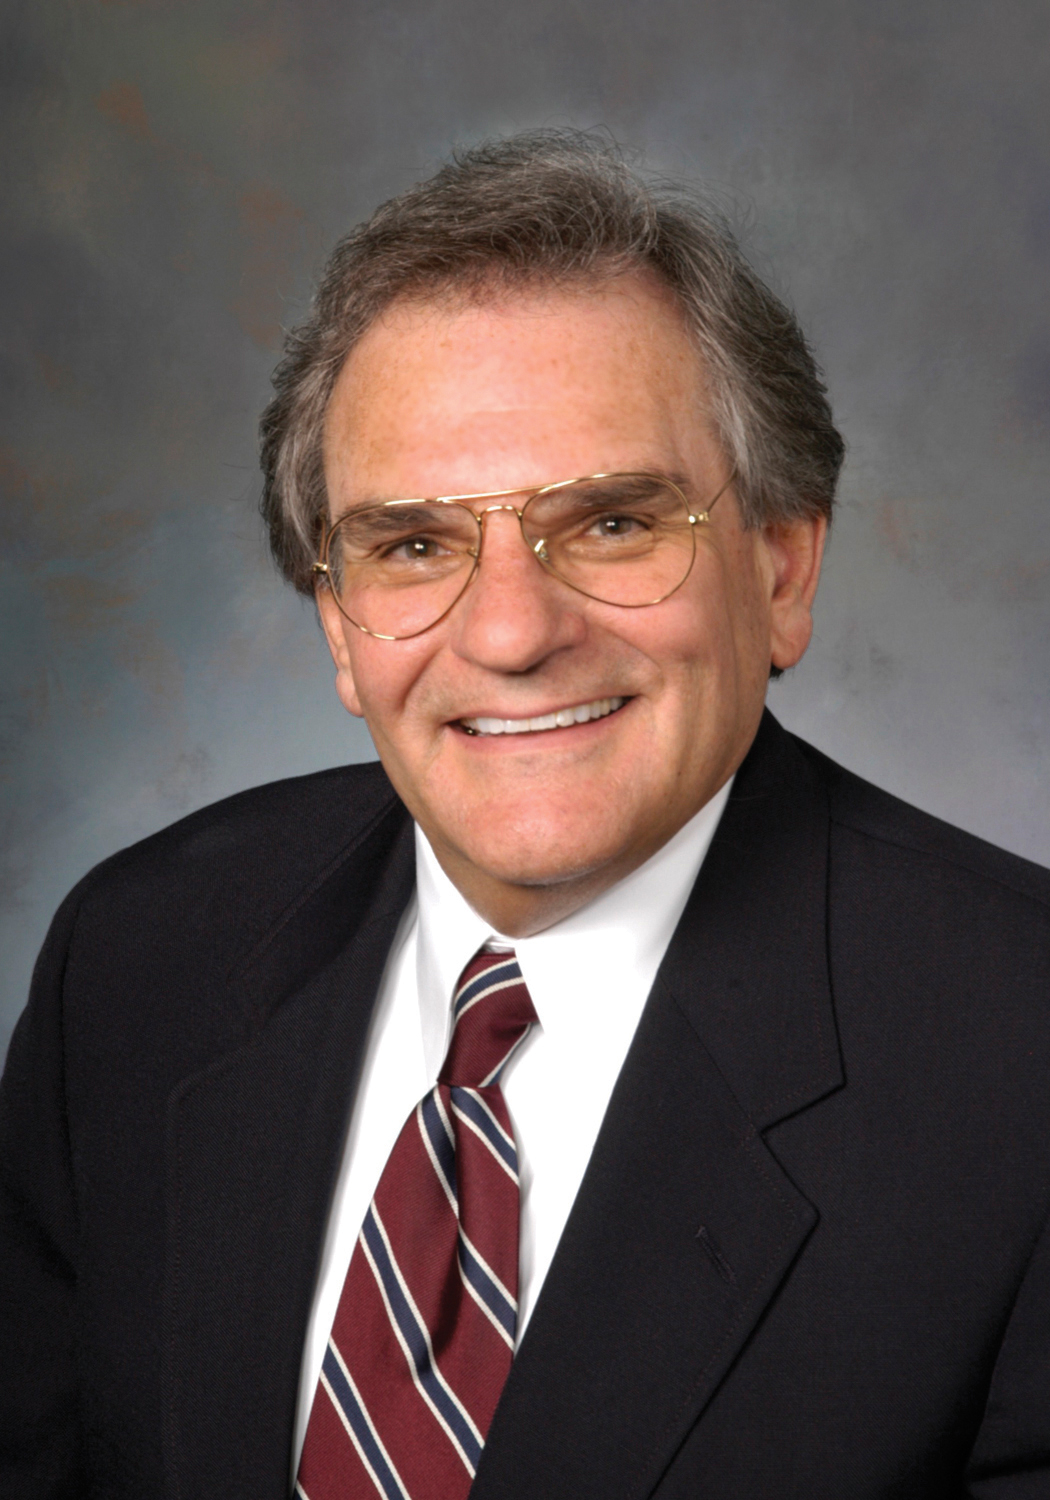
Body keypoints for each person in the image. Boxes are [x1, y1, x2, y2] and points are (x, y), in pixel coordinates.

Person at [1, 130, 1048, 1500]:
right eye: (413, 545)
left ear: (782, 569)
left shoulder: (1017, 1055)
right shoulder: (139, 962)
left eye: (611, 523)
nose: (509, 632)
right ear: (337, 625)